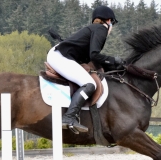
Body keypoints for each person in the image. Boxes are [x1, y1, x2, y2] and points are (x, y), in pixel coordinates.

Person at [46, 5, 124, 133]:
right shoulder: (101, 29)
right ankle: (69, 117)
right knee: (89, 84)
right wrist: (113, 60)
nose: (112, 27)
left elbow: (91, 59)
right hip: (60, 57)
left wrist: (111, 65)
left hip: (60, 55)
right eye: (112, 23)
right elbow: (94, 55)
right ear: (109, 21)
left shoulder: (93, 29)